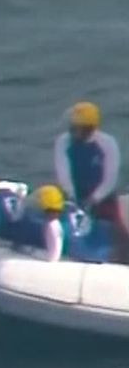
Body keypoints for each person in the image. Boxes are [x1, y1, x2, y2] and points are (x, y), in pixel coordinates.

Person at [54, 100, 128, 261]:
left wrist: (94, 198)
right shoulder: (63, 142)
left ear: (89, 128)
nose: (71, 130)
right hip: (74, 198)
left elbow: (110, 177)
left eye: (76, 127)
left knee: (118, 235)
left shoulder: (107, 143)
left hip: (102, 199)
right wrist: (72, 196)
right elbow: (63, 172)